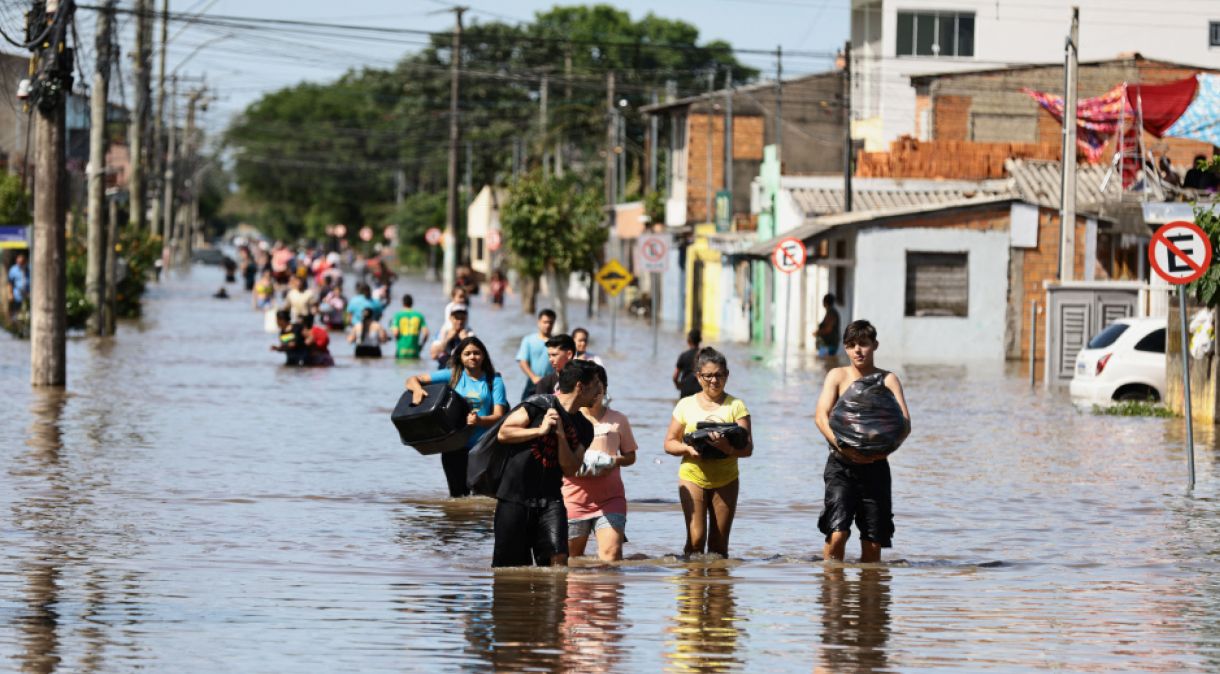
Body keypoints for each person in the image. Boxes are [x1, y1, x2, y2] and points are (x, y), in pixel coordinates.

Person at [813, 320, 912, 563]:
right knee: (837, 533)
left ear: (875, 345)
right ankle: (832, 589)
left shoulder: (888, 380)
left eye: (863, 344)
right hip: (841, 466)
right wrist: (843, 446)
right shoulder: (837, 376)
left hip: (876, 468)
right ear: (845, 348)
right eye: (851, 345)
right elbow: (820, 417)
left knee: (873, 542)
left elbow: (905, 424)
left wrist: (881, 452)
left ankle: (870, 594)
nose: (858, 350)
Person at [492, 359, 601, 567]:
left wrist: (561, 435)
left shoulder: (585, 427)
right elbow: (503, 433)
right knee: (510, 570)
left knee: (558, 562)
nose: (599, 390)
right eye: (596, 384)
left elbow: (570, 468)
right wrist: (539, 431)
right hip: (514, 498)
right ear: (580, 386)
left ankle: (554, 600)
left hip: (551, 500)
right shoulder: (538, 404)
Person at [663, 347, 753, 558]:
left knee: (719, 547)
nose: (714, 381)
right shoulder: (685, 405)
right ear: (698, 376)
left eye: (719, 375)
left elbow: (748, 448)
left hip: (726, 479)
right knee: (695, 540)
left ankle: (718, 590)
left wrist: (728, 448)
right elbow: (669, 443)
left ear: (727, 375)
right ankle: (691, 588)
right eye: (708, 376)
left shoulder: (737, 406)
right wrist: (687, 448)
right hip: (692, 476)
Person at [405, 336, 508, 498]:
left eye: (476, 353)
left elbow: (499, 416)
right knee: (458, 498)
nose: (472, 357)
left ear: (484, 356)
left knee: (483, 496)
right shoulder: (452, 376)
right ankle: (458, 524)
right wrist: (418, 390)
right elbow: (412, 379)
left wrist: (479, 421)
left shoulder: (493, 380)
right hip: (453, 446)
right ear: (460, 357)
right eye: (467, 353)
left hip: (483, 447)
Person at [563, 364, 637, 562]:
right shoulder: (569, 419)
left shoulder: (618, 419)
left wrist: (613, 461)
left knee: (611, 557)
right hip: (573, 498)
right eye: (591, 385)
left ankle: (605, 592)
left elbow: (630, 456)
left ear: (604, 388)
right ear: (582, 388)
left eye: (599, 385)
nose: (595, 392)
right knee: (571, 560)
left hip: (610, 499)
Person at [516, 309, 557, 401]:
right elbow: (522, 362)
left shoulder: (557, 342)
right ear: (539, 322)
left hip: (552, 386)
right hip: (533, 384)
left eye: (551, 323)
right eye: (545, 322)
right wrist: (533, 377)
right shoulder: (528, 340)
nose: (548, 325)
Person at [430, 304, 474, 369]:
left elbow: (476, 356)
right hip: (444, 369)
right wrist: (448, 338)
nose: (460, 321)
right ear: (450, 318)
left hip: (462, 370)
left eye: (462, 318)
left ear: (466, 319)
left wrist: (466, 340)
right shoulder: (442, 332)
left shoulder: (470, 334)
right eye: (457, 318)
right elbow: (433, 356)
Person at [390, 294, 430, 359]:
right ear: (412, 303)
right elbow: (426, 334)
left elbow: (395, 333)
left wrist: (392, 330)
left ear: (402, 303)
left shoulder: (398, 316)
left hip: (401, 351)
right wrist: (421, 346)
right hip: (414, 350)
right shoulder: (419, 316)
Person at [672, 329, 703, 398]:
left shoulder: (683, 355)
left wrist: (678, 386)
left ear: (688, 341)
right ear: (700, 340)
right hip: (700, 390)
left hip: (686, 389)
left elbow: (675, 377)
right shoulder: (704, 356)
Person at [814, 294, 841, 358]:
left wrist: (817, 332)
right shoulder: (830, 312)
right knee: (825, 364)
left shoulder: (832, 313)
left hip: (829, 345)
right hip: (826, 344)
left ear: (825, 302)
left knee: (826, 363)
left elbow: (828, 329)